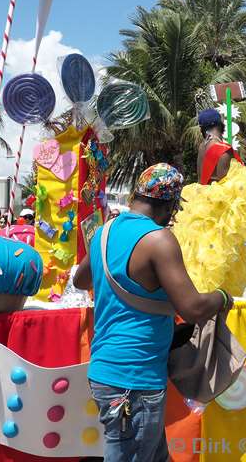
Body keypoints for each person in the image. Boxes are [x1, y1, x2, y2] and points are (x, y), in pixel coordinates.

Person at [73, 163, 232, 461]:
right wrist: (222, 296)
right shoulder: (159, 240)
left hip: (105, 371)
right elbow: (193, 308)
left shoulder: (105, 232)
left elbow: (80, 279)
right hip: (135, 379)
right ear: (170, 206)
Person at [172, 109, 246, 295]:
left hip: (200, 208)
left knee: (200, 263)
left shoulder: (202, 147)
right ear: (221, 126)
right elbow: (228, 185)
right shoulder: (222, 150)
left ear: (201, 129)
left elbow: (206, 180)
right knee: (219, 270)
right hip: (218, 214)